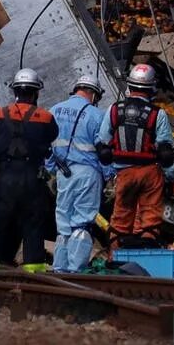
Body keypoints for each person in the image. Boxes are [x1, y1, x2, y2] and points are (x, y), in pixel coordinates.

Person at [0, 68, 58, 273]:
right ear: (36, 93)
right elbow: (51, 135)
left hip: (5, 176)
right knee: (33, 224)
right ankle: (33, 270)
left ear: (15, 90)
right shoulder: (46, 117)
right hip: (32, 178)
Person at [96, 63, 174, 249]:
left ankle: (115, 259)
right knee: (150, 220)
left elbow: (102, 144)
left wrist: (109, 172)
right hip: (150, 173)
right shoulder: (158, 114)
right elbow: (165, 152)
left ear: (130, 86)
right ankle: (146, 257)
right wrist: (169, 177)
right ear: (152, 87)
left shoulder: (114, 110)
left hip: (125, 174)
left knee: (121, 219)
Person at [47, 72, 107, 273]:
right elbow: (104, 151)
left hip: (63, 174)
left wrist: (50, 169)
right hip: (88, 174)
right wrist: (109, 175)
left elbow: (46, 146)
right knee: (82, 223)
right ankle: (76, 271)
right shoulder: (97, 115)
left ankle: (60, 269)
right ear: (93, 94)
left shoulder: (55, 110)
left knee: (63, 222)